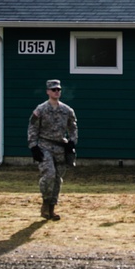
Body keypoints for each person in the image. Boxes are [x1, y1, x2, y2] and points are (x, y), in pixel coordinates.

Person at [27, 79, 78, 220]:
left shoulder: (67, 110)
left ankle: (51, 208)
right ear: (48, 91)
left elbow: (73, 127)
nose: (56, 92)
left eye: (58, 90)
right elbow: (32, 127)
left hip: (60, 147)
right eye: (53, 89)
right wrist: (33, 146)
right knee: (49, 174)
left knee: (57, 178)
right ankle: (45, 202)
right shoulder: (41, 109)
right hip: (45, 146)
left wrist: (72, 142)